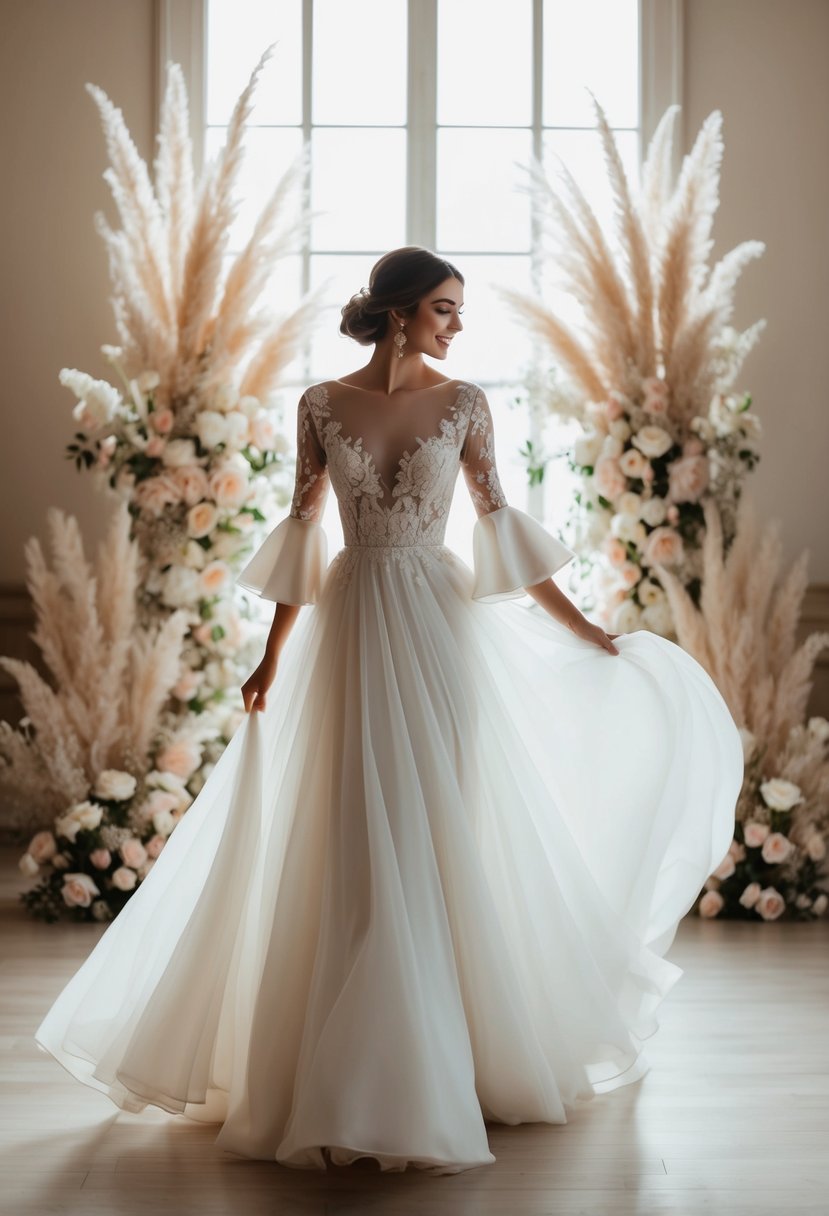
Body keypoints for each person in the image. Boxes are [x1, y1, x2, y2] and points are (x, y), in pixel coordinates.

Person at [34, 246, 743, 1175]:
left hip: (439, 633)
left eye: (458, 309)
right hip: (353, 627)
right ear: (401, 311)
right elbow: (302, 529)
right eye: (444, 308)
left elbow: (499, 527)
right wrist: (270, 654)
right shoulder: (320, 404)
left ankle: (446, 1053)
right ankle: (350, 1072)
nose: (456, 324)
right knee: (352, 837)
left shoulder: (466, 404)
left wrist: (585, 631)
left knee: (434, 827)